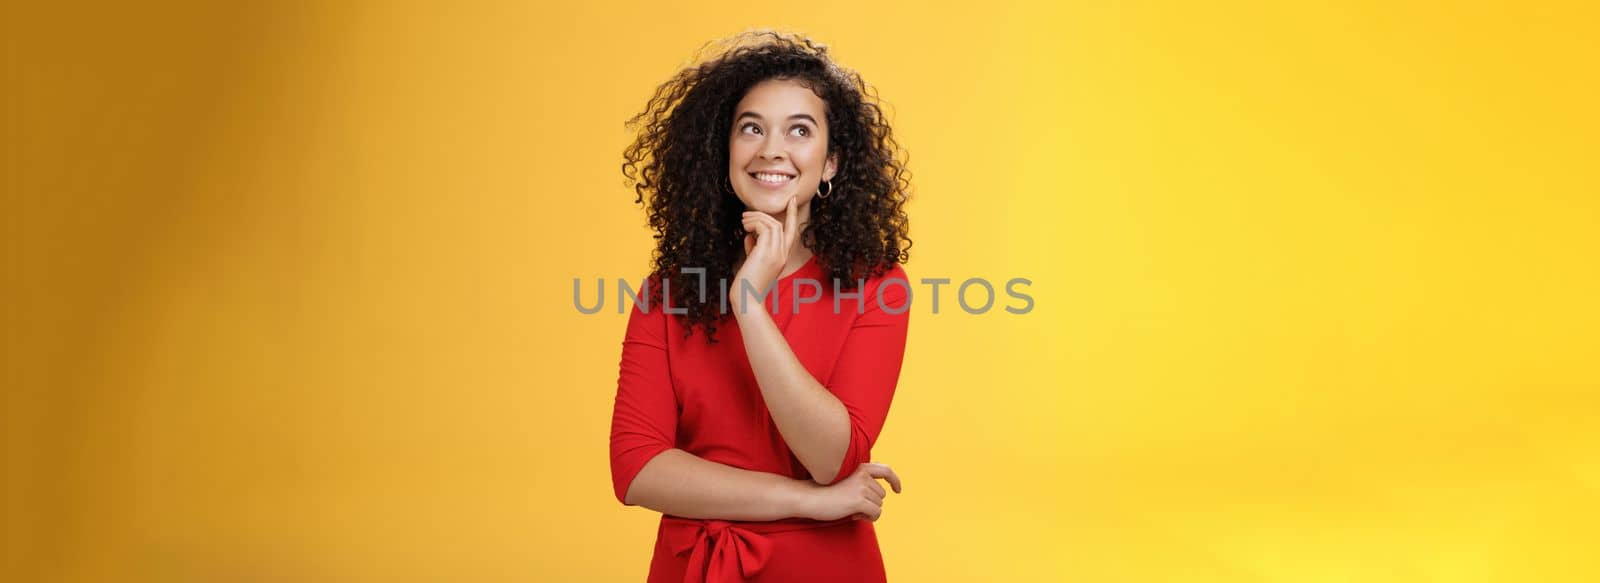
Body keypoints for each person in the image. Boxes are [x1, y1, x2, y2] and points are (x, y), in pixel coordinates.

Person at [610, 30, 914, 582]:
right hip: (692, 568)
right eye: (752, 128)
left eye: (799, 130)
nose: (771, 149)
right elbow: (637, 471)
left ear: (830, 165)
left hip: (825, 567)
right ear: (722, 151)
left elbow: (831, 458)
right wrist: (809, 501)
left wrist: (749, 302)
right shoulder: (667, 292)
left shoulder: (879, 286)